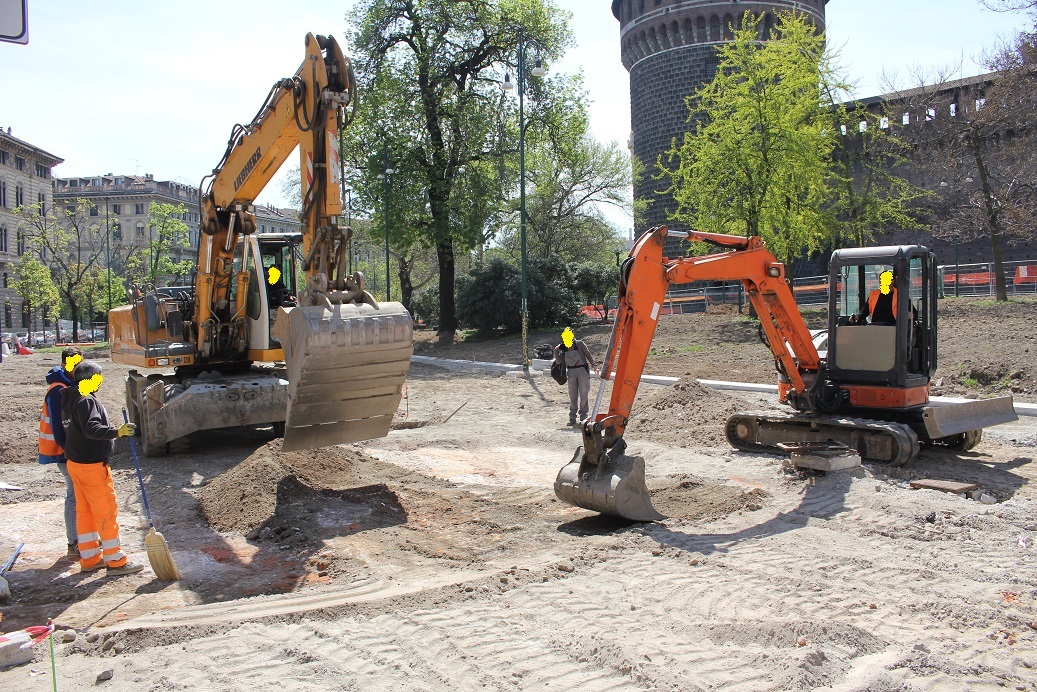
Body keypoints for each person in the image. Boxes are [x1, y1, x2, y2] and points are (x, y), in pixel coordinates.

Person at [61, 360, 144, 576]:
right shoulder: (86, 401)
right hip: (91, 466)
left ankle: (89, 558)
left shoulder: (71, 398)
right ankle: (115, 560)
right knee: (105, 510)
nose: (101, 381)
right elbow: (92, 429)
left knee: (85, 512)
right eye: (99, 377)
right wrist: (118, 431)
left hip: (76, 464)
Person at [39, 347, 84, 558]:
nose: (79, 368)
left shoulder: (71, 385)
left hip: (71, 451)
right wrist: (71, 452)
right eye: (76, 365)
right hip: (64, 453)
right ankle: (74, 541)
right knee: (74, 497)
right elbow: (59, 429)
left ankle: (81, 538)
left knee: (79, 496)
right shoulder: (58, 391)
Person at [553, 327, 598, 428]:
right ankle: (572, 418)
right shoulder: (563, 348)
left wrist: (594, 366)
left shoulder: (580, 344)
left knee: (583, 394)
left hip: (582, 371)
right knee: (572, 396)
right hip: (571, 372)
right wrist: (556, 350)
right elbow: (559, 361)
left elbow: (589, 355)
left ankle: (583, 417)